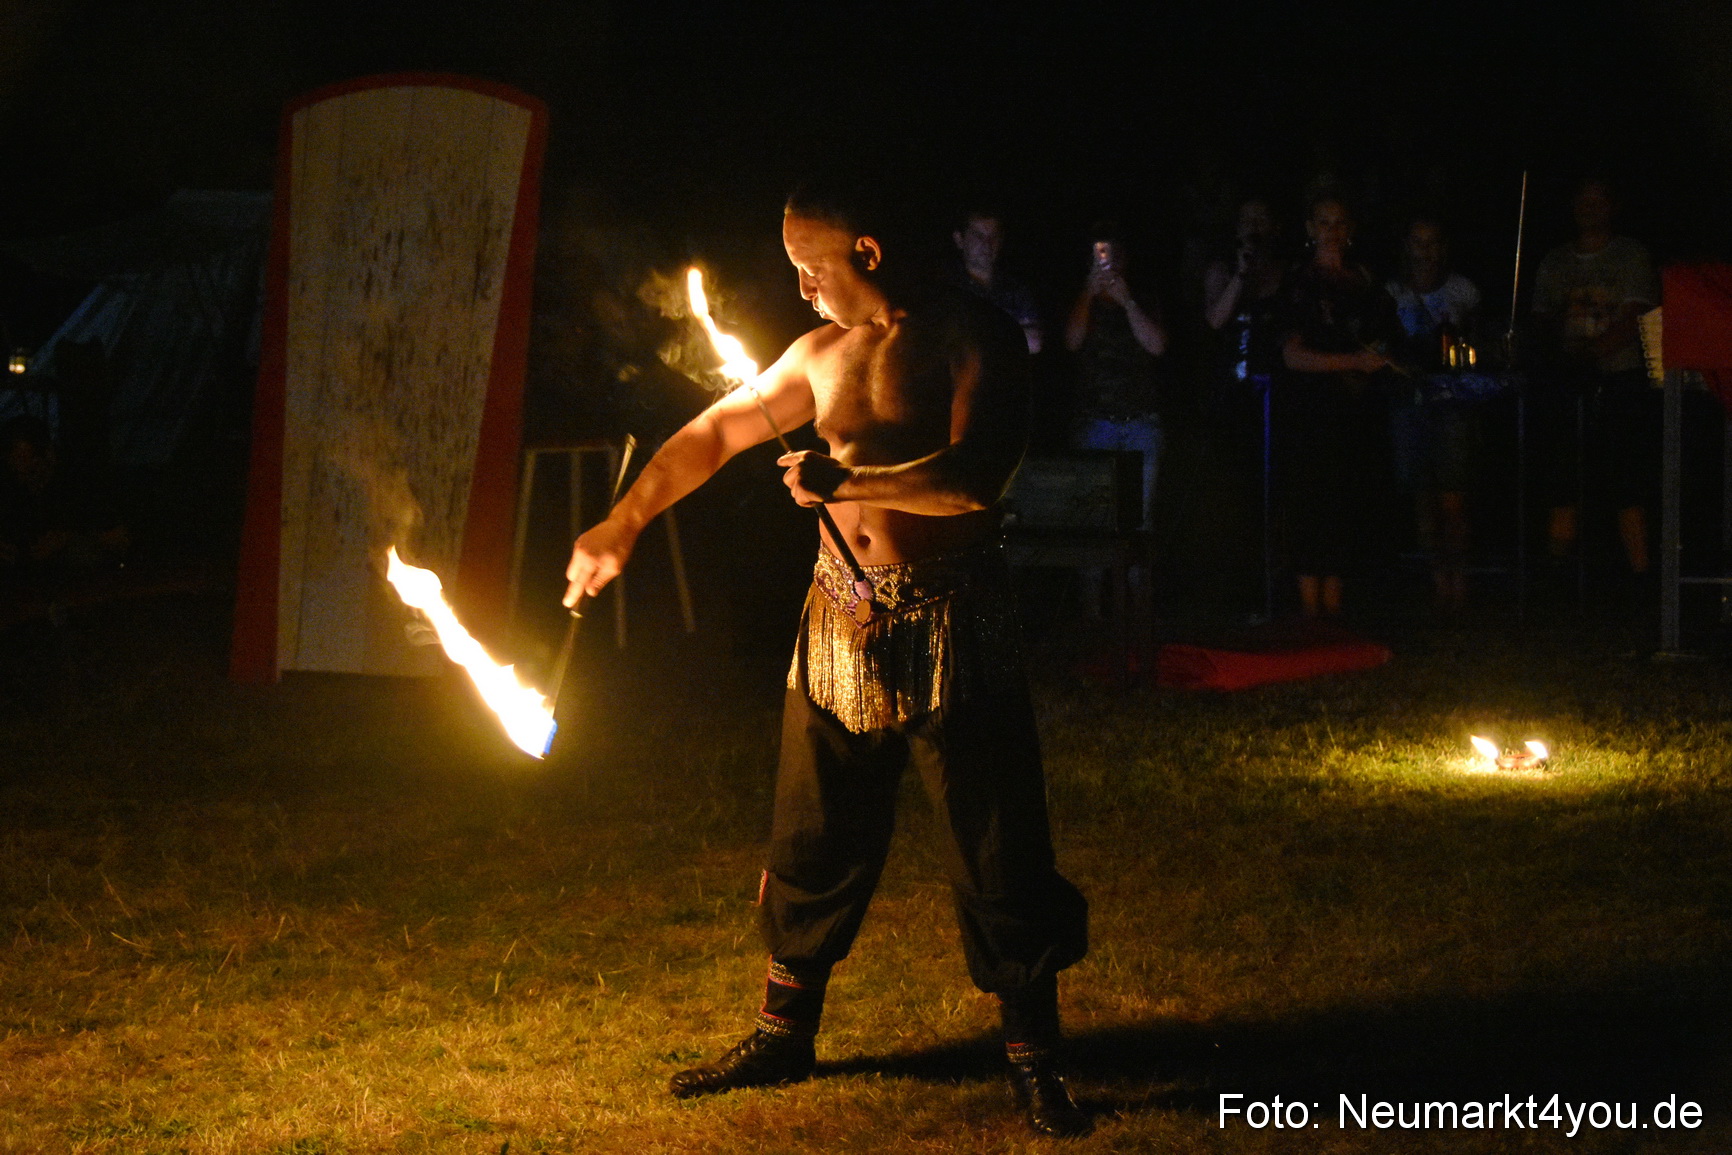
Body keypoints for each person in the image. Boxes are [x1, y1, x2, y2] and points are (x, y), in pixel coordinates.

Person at [564, 179, 1092, 1138]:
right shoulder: (817, 355)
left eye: (812, 266)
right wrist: (623, 520)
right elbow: (716, 429)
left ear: (870, 252)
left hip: (956, 623)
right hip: (838, 623)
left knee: (998, 846)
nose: (802, 288)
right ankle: (783, 1032)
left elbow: (977, 480)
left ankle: (1034, 1057)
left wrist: (846, 476)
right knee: (811, 838)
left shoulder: (976, 339)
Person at [1276, 195, 1402, 618]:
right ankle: (1310, 613)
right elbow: (1292, 355)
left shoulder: (1364, 281)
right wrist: (1351, 362)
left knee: (1346, 506)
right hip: (1311, 413)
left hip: (1354, 413)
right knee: (1311, 506)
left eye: (1340, 223)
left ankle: (1334, 610)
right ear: (1310, 229)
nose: (1332, 232)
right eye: (1324, 223)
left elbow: (1383, 335)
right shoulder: (1300, 282)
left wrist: (1377, 359)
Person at [1530, 177, 1659, 589]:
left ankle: (1641, 575)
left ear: (1612, 206)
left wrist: (1587, 353)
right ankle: (1557, 575)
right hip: (1567, 381)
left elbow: (1634, 318)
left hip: (1619, 377)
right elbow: (1543, 319)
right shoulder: (1554, 262)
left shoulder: (1631, 256)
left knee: (1626, 476)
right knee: (1562, 473)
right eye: (1581, 200)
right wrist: (1560, 359)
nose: (1588, 208)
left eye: (1597, 200)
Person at [1385, 218, 1482, 612]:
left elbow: (1476, 348)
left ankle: (1460, 583)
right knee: (1422, 499)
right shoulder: (1391, 293)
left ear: (1443, 247)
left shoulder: (1464, 291)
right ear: (1407, 246)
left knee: (1453, 500)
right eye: (1418, 242)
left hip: (1453, 405)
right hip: (1408, 405)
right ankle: (1436, 585)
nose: (1425, 251)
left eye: (1433, 242)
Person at [1064, 224, 1167, 531]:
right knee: (1093, 520)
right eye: (1101, 257)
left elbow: (1157, 345)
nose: (1108, 265)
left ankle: (1137, 578)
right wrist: (1088, 293)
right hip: (1095, 423)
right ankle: (1095, 579)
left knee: (1139, 520)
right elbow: (1071, 341)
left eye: (1114, 257)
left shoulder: (1144, 299)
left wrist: (1128, 302)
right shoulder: (1080, 301)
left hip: (1141, 424)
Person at [952, 210, 1044, 354]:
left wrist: (978, 336)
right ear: (959, 239)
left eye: (993, 237)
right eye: (978, 236)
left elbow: (1034, 343)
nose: (987, 244)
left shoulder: (1015, 289)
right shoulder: (946, 286)